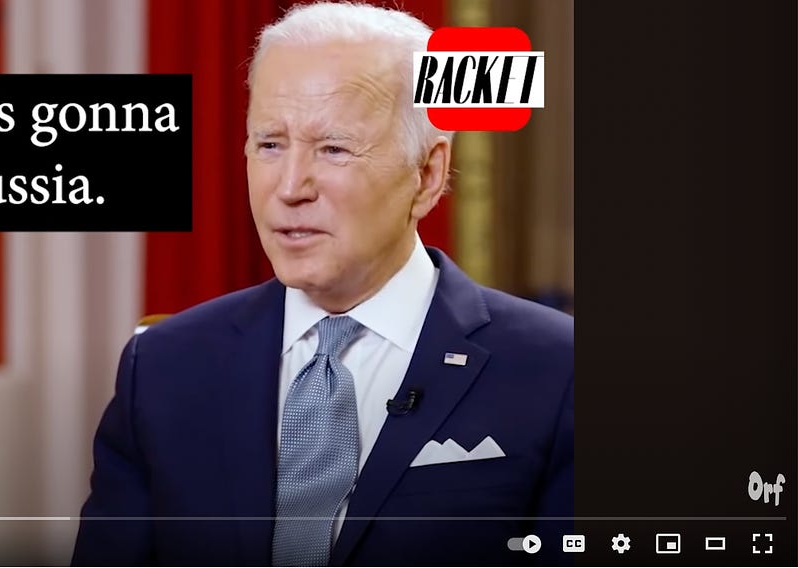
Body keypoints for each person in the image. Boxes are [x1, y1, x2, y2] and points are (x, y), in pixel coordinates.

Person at [71, 2, 573, 566]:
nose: (290, 188)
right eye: (270, 144)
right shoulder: (161, 367)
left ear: (427, 174)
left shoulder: (559, 369)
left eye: (334, 148)